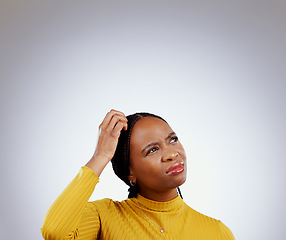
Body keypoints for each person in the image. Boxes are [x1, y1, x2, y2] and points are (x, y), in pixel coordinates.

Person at [41, 109, 235, 240]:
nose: (171, 154)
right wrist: (101, 156)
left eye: (173, 139)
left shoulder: (216, 232)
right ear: (130, 173)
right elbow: (55, 232)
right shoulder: (104, 217)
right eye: (152, 150)